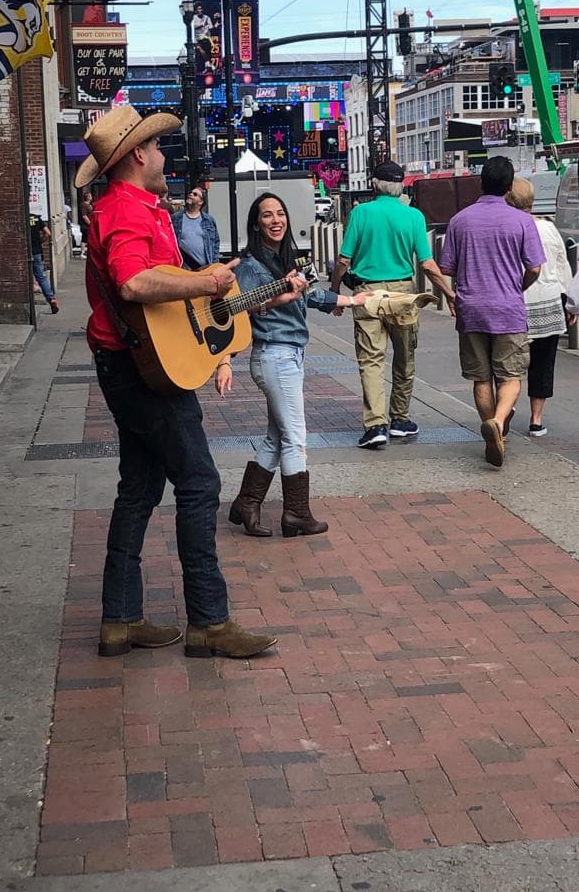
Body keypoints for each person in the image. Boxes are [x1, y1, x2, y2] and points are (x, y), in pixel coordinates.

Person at [77, 105, 282, 660]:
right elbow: (133, 281)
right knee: (199, 484)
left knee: (140, 487)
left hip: (133, 363)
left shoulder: (135, 206)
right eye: (158, 148)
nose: (166, 156)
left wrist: (203, 287)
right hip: (142, 373)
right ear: (138, 155)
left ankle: (120, 620)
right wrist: (203, 279)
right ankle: (209, 622)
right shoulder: (126, 207)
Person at [219, 193, 367, 537]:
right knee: (296, 437)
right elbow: (237, 311)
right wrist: (224, 360)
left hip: (288, 355)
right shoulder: (251, 266)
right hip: (275, 355)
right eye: (267, 215)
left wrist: (351, 300)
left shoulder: (281, 258)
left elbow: (311, 293)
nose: (276, 220)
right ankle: (296, 513)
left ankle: (247, 502)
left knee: (276, 436)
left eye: (280, 213)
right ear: (256, 223)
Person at [329, 161, 455, 449]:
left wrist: (336, 292)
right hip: (403, 293)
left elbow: (343, 260)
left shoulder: (360, 213)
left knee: (371, 361)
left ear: (374, 184)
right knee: (405, 357)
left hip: (367, 294)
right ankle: (400, 419)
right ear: (401, 187)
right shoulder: (413, 216)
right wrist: (448, 293)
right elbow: (427, 264)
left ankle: (375, 426)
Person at [439, 157, 545, 468]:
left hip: (471, 308)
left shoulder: (460, 220)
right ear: (510, 187)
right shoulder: (523, 222)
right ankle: (498, 424)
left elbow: (447, 267)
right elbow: (535, 267)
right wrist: (518, 286)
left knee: (480, 377)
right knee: (511, 375)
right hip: (508, 308)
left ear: (480, 182)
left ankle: (492, 431)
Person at [505, 178, 572, 437]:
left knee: (510, 363)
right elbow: (562, 264)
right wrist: (569, 302)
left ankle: (506, 409)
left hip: (518, 302)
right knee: (543, 363)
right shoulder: (549, 228)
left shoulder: (510, 227)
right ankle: (536, 420)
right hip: (550, 300)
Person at [171, 187, 220, 269]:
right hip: (183, 268)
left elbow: (215, 243)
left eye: (195, 194)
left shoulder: (208, 220)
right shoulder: (176, 218)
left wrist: (214, 265)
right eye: (190, 192)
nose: (191, 194)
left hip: (205, 267)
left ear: (201, 202)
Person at [28, 212, 59, 314]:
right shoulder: (35, 218)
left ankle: (29, 301)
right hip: (37, 251)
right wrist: (40, 241)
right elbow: (48, 233)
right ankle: (51, 299)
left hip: (26, 251)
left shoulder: (20, 218)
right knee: (41, 276)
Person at [80, 190, 93, 258]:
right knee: (84, 238)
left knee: (89, 239)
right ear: (87, 197)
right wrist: (90, 224)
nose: (91, 197)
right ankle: (82, 253)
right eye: (90, 196)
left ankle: (87, 252)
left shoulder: (89, 205)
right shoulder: (84, 205)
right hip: (85, 226)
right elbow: (84, 216)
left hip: (89, 225)